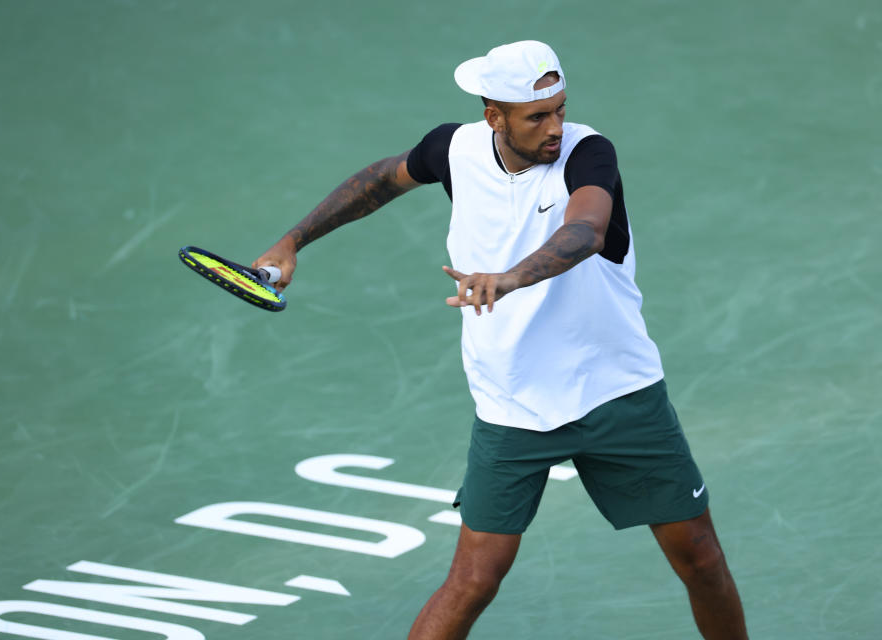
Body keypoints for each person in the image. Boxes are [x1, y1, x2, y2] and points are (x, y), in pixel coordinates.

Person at [254, 40, 748, 640]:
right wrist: (292, 241)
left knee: (701, 559)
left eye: (560, 109)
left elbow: (588, 230)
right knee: (473, 581)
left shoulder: (587, 154)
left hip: (616, 392)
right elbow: (381, 179)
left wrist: (510, 277)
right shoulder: (453, 148)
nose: (555, 127)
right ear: (494, 116)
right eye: (537, 116)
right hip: (512, 404)